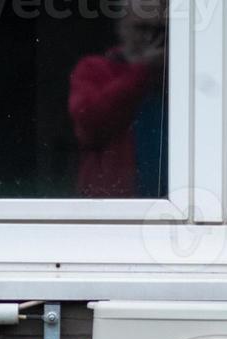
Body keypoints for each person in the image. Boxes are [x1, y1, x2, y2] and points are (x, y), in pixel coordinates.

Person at [69, 0, 169, 198]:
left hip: (174, 206)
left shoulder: (180, 80)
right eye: (141, 28)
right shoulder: (94, 70)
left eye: (159, 30)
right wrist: (141, 72)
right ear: (121, 27)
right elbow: (91, 125)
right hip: (116, 211)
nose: (150, 38)